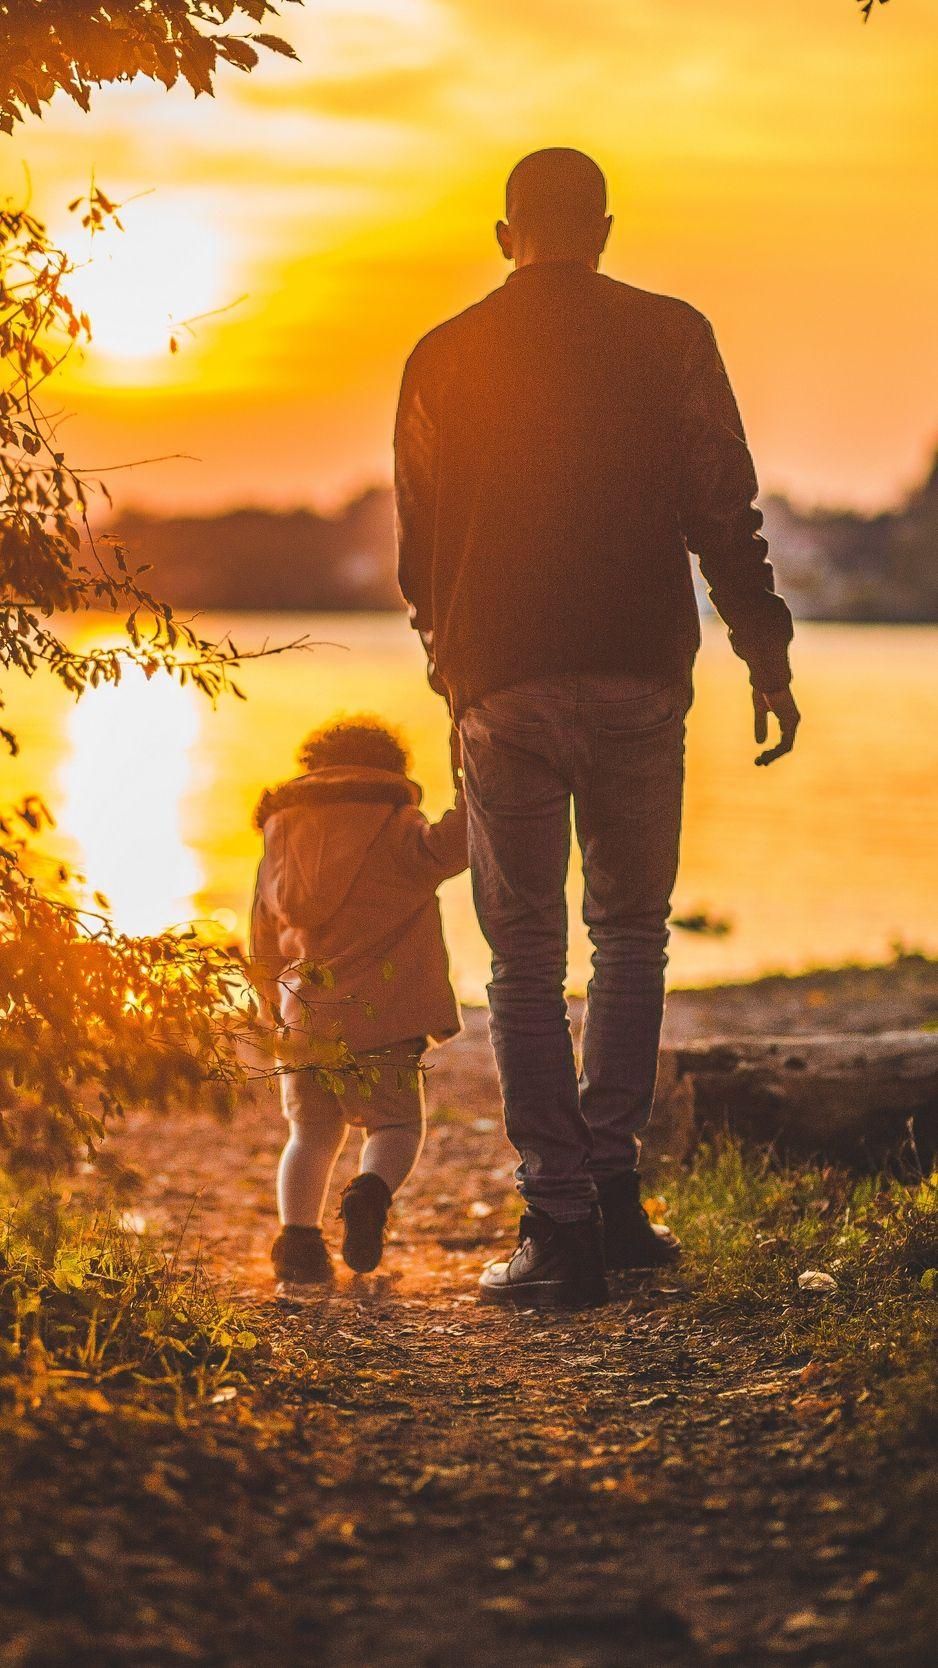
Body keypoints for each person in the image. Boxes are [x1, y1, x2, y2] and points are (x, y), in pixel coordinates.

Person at [395, 147, 799, 1310]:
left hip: (501, 678)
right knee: (630, 933)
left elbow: (420, 540)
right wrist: (760, 649)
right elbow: (722, 505)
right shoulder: (670, 334)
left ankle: (559, 1222)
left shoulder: (442, 352)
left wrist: (446, 661)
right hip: (634, 667)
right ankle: (613, 1198)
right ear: (605, 230)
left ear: (501, 232)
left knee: (523, 959)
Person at [250, 716, 467, 1287]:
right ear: (389, 770)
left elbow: (261, 937)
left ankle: (298, 1244)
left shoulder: (280, 836)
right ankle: (369, 1194)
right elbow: (456, 845)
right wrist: (474, 779)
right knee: (394, 1127)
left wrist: (270, 1008)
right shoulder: (396, 825)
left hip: (305, 1018)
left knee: (311, 1135)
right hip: (384, 1016)